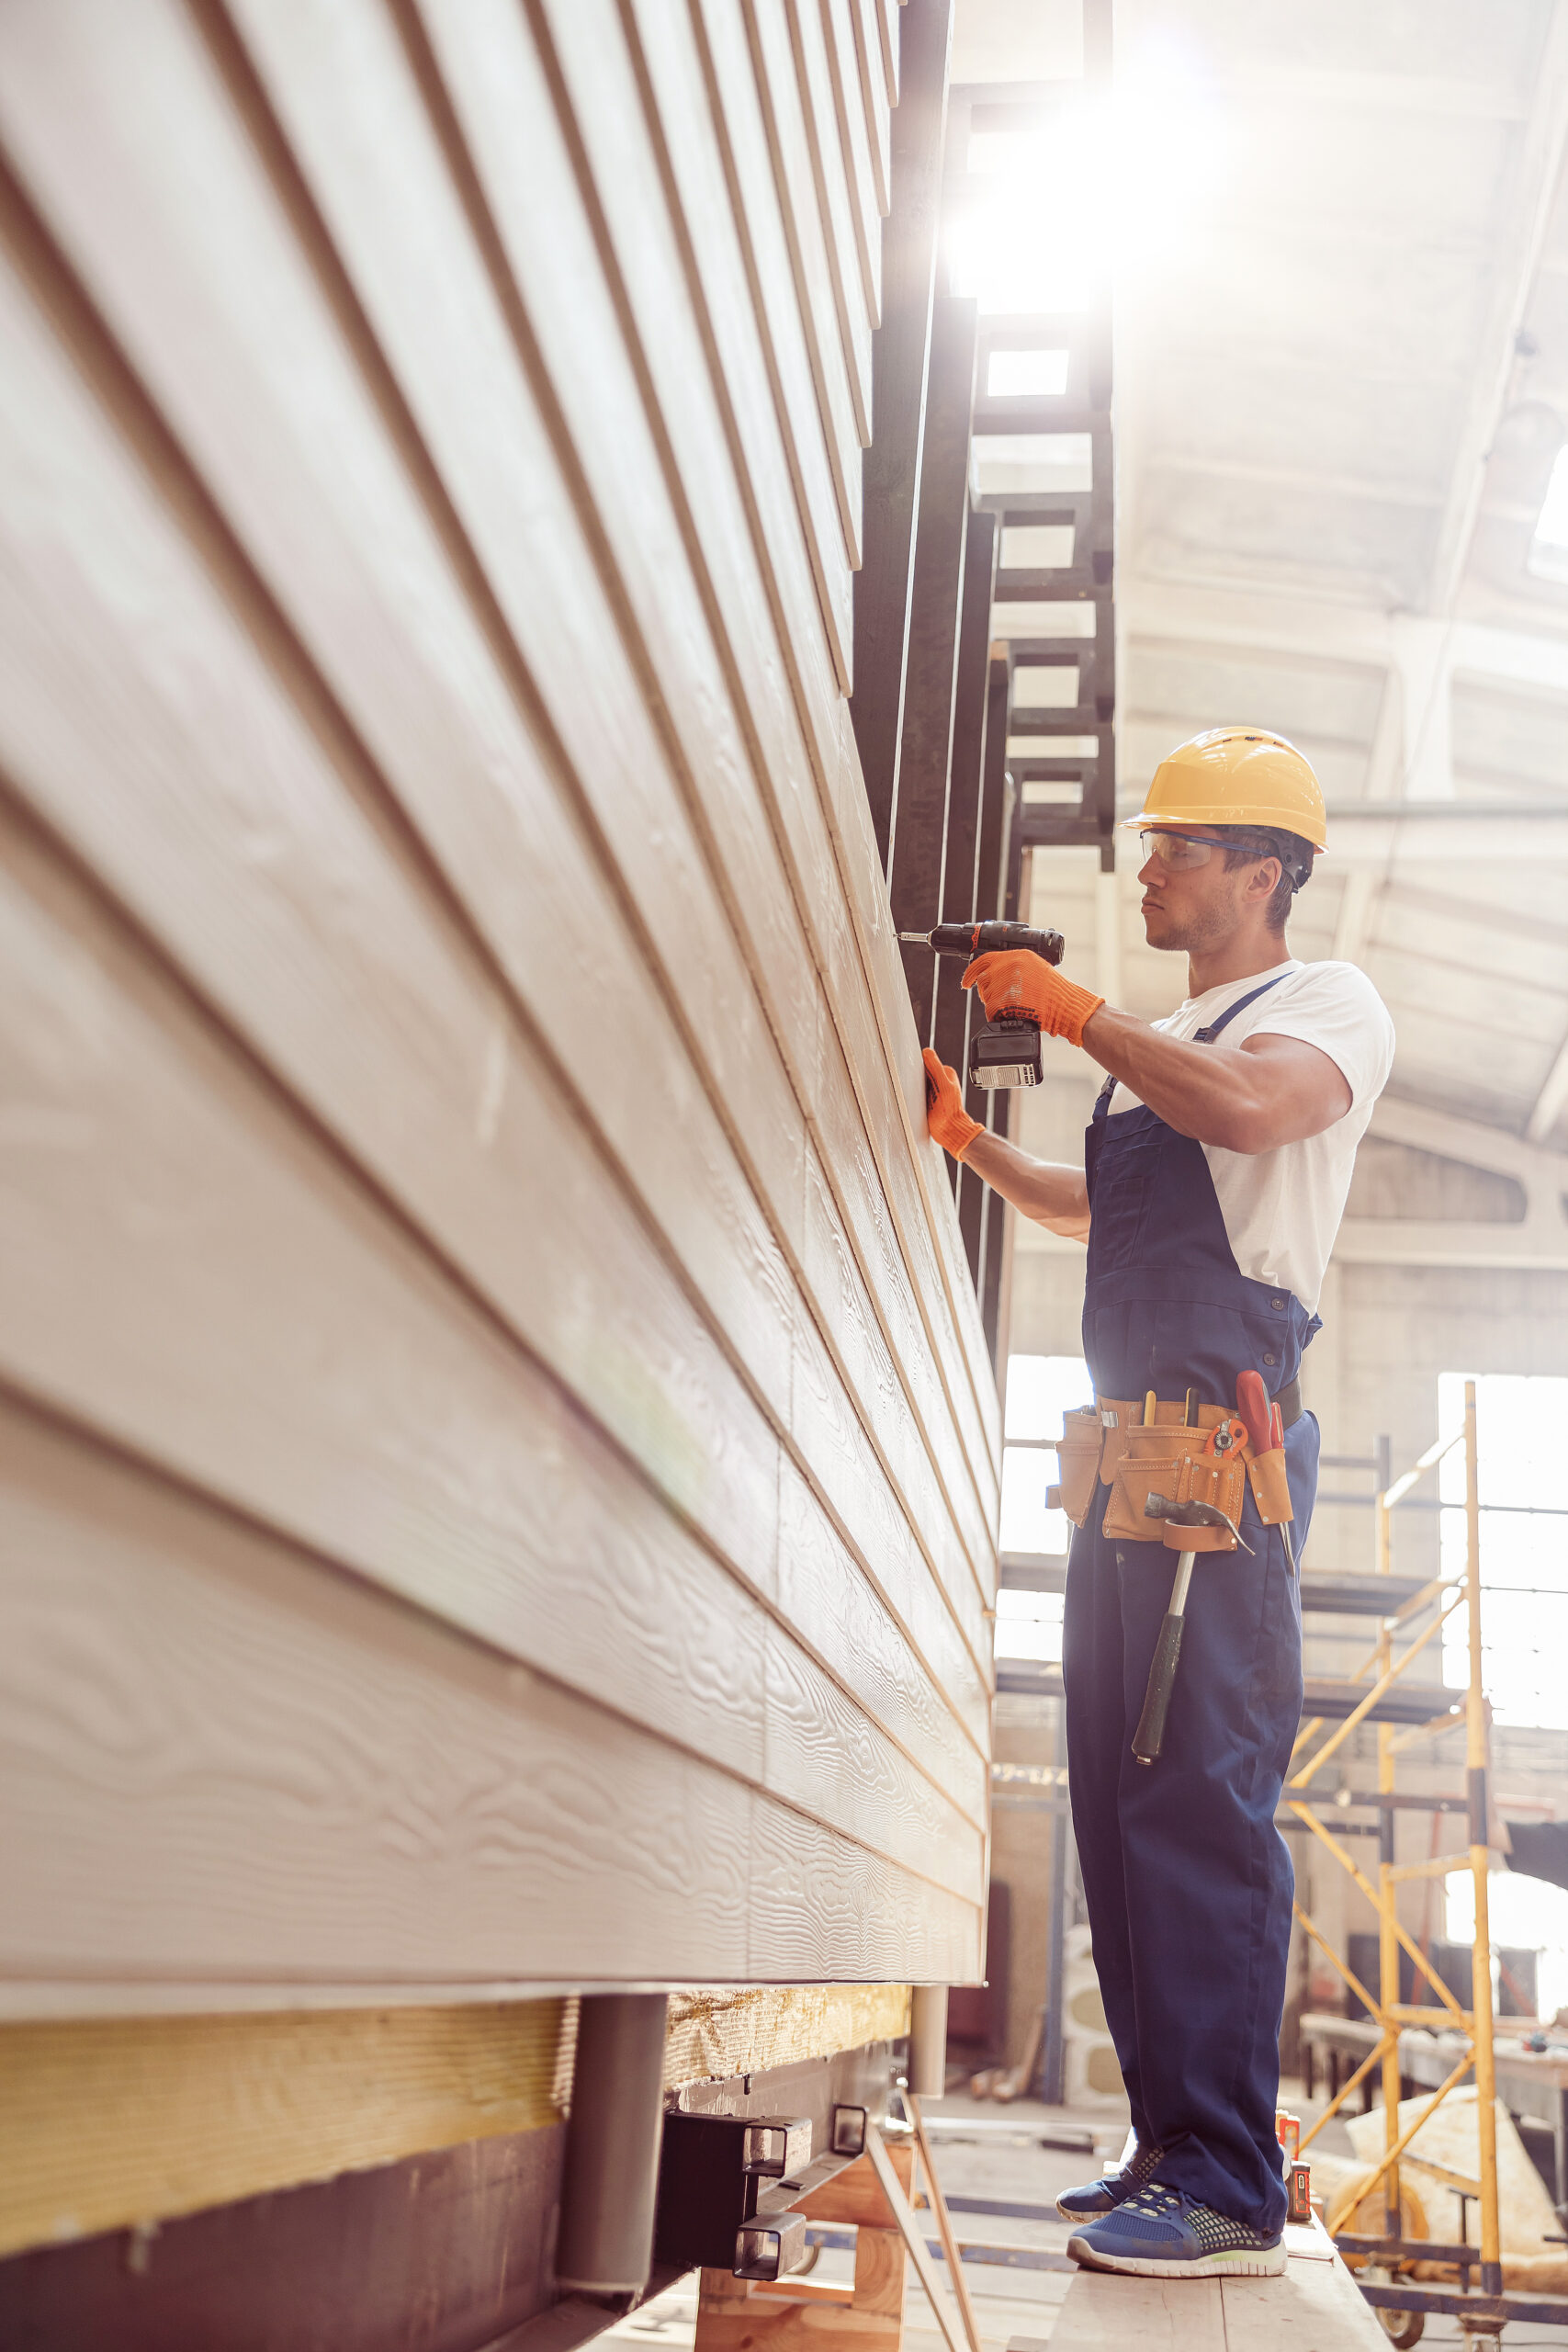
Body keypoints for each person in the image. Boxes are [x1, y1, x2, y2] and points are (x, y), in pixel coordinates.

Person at [923, 728, 1394, 2281]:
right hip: (1127, 1457)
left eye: (1176, 849)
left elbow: (1250, 1116)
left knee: (1198, 1795)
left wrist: (1074, 1011)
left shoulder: (1318, 1010)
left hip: (1219, 1453)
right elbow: (1085, 1199)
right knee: (1120, 1809)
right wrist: (968, 1137)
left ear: (1264, 872)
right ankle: (1165, 2137)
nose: (1148, 871)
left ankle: (1223, 2183)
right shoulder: (1181, 1033)